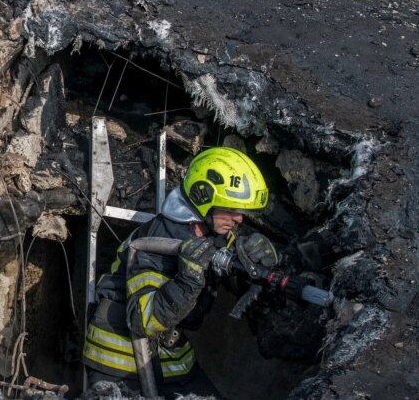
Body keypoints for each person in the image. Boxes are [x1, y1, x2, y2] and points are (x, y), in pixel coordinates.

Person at [82, 146, 280, 396]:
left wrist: (258, 265)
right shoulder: (158, 240)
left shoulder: (212, 235)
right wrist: (188, 280)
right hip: (119, 363)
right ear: (203, 197)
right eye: (231, 208)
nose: (239, 219)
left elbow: (228, 277)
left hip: (171, 360)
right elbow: (142, 320)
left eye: (241, 211)